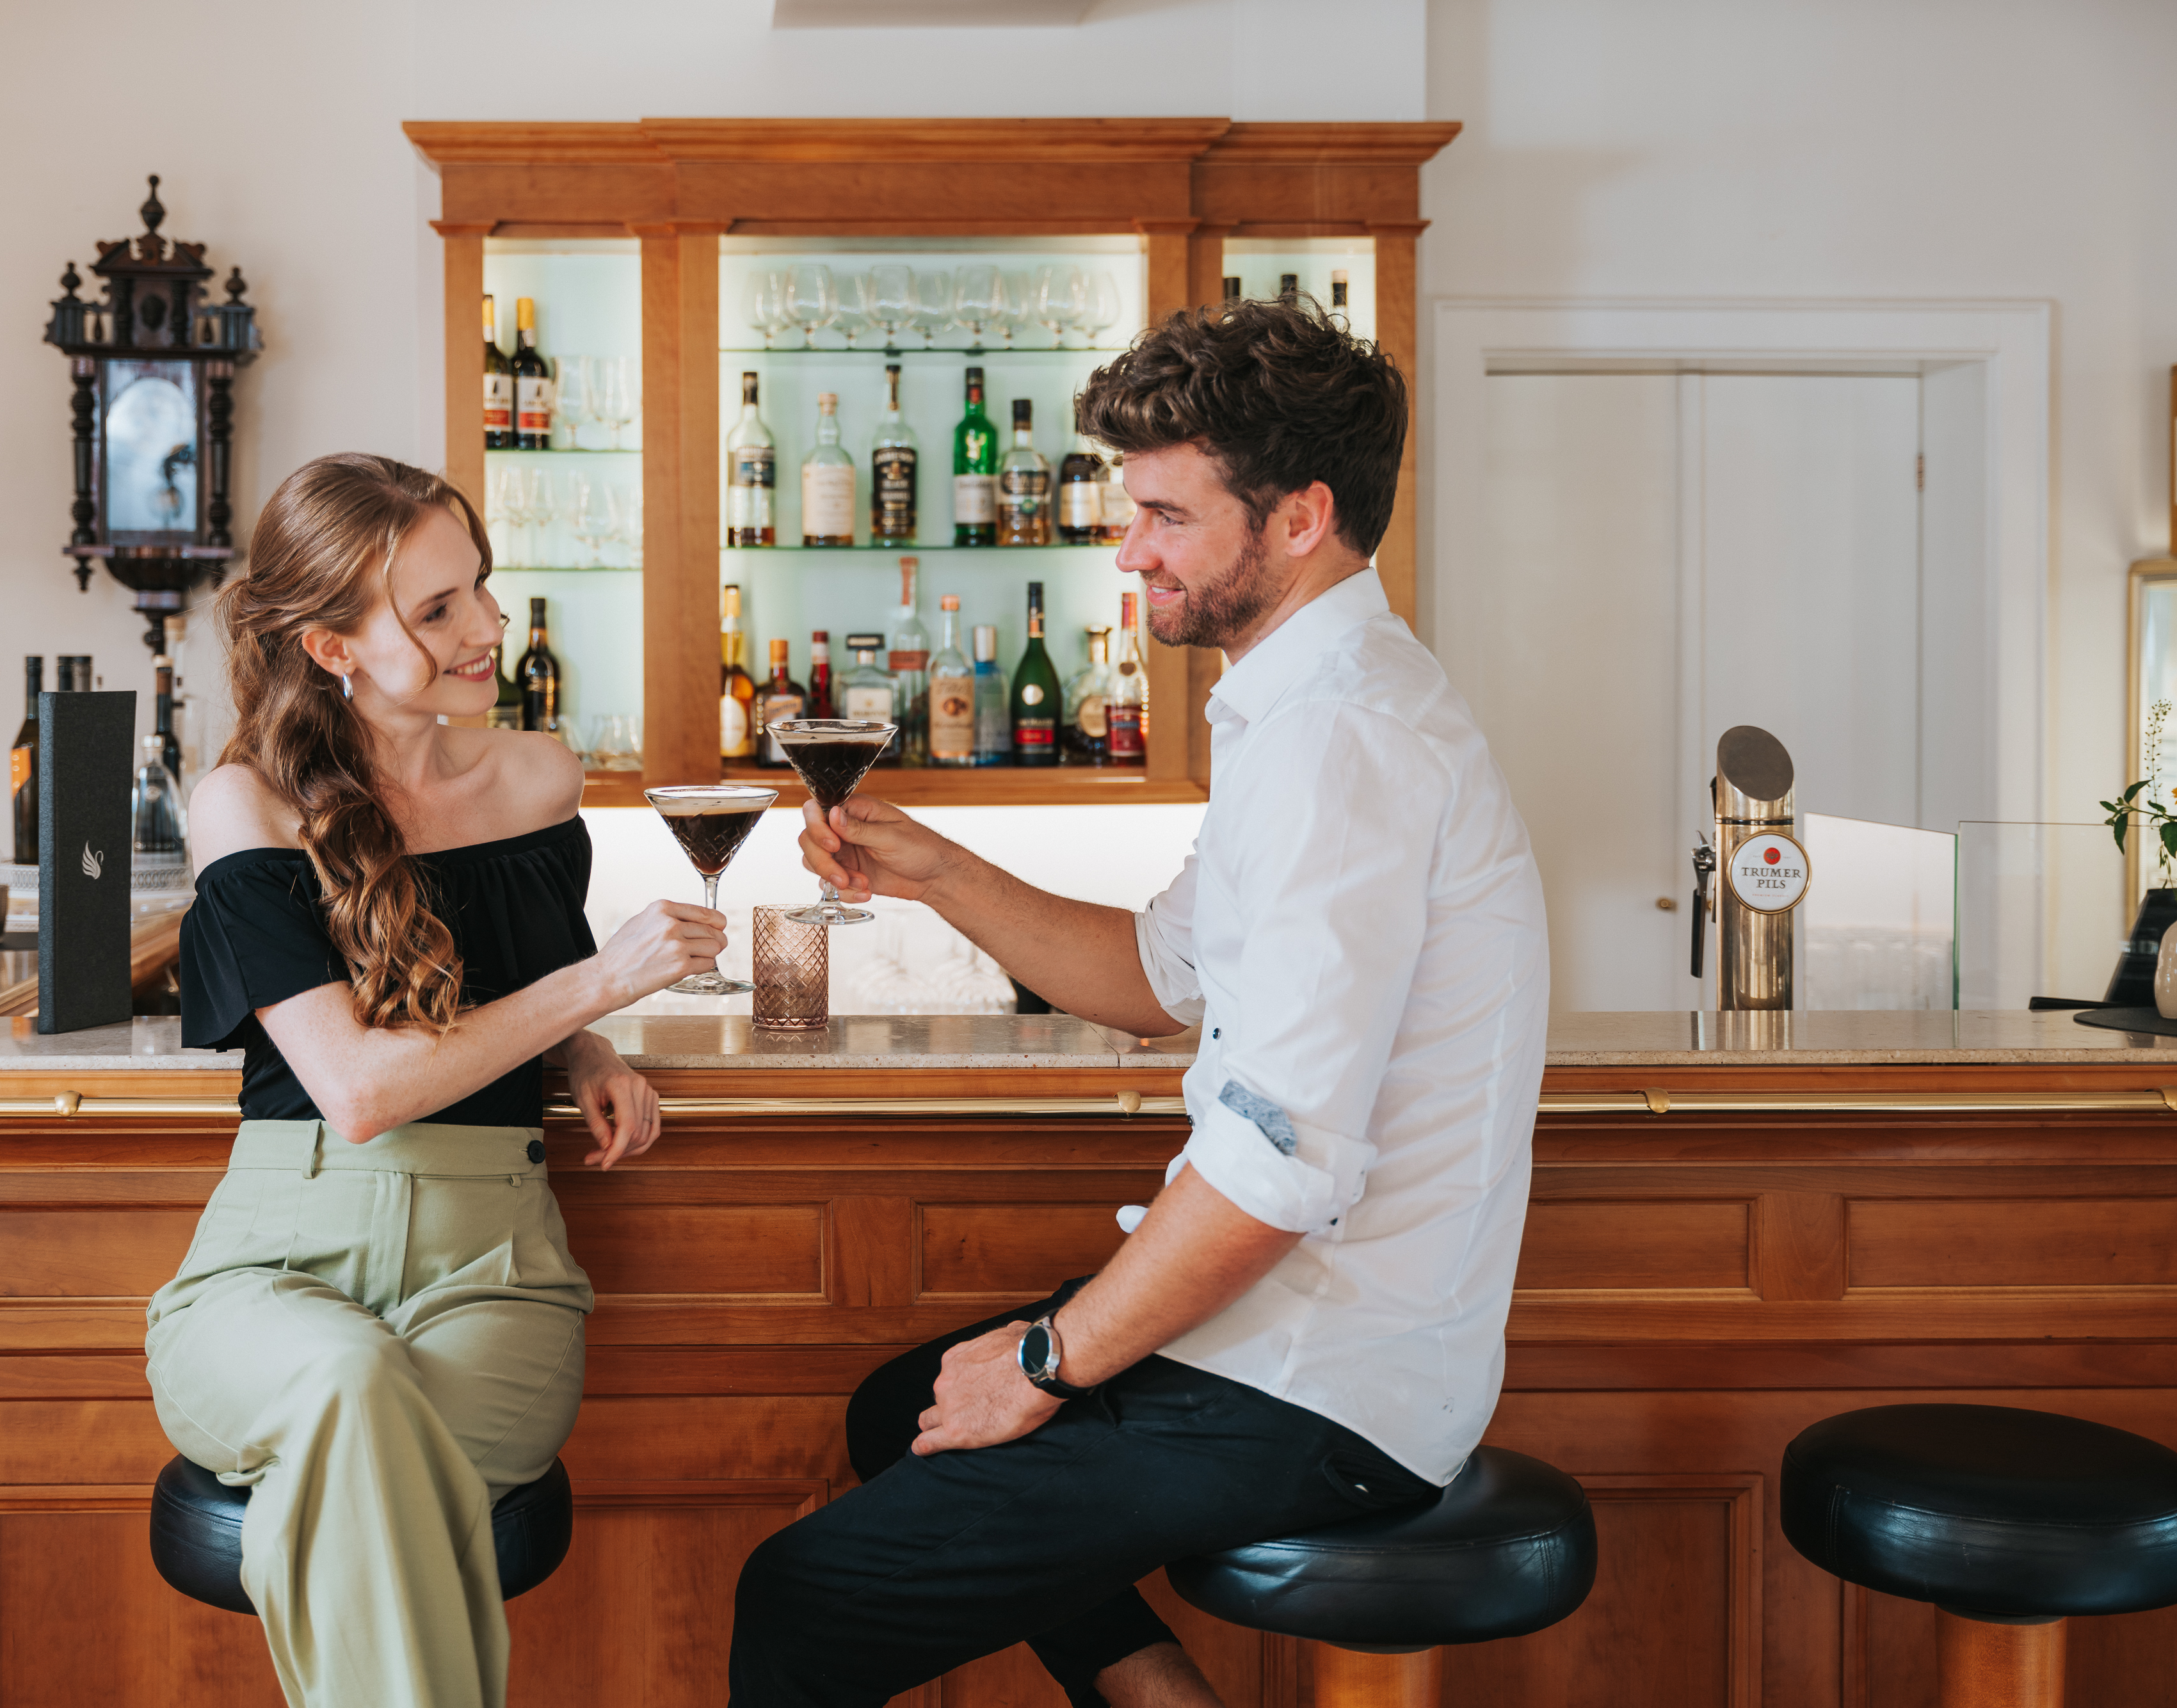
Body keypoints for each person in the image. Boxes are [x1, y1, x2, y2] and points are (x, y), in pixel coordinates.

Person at [730, 301, 1550, 1708]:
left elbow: (1269, 1164)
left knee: (806, 1595)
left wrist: (1045, 1364)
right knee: (896, 1412)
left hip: (1325, 1377)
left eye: (1165, 515)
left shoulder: (1336, 746)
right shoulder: (1301, 705)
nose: (1126, 550)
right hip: (1299, 1334)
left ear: (1296, 518)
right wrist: (933, 867)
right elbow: (1159, 982)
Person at [145, 452, 726, 1708]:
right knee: (347, 1389)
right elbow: (353, 1089)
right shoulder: (243, 804)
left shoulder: (537, 777)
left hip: (493, 1275)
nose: (488, 630)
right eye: (436, 609)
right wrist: (599, 992)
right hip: (269, 1272)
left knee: (355, 1448)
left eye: (482, 591)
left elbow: (506, 982)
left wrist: (585, 1051)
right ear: (333, 647)